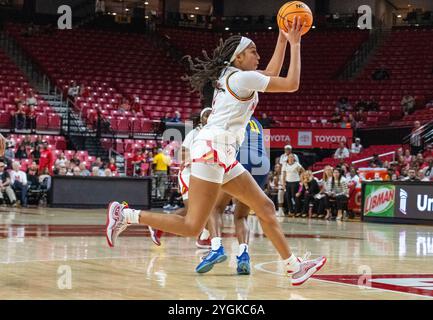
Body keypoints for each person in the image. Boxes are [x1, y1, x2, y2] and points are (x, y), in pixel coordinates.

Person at [106, 18, 326, 286]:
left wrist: (282, 37)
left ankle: (294, 267)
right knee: (192, 226)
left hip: (224, 153)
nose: (258, 56)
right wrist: (295, 43)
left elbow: (270, 71)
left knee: (265, 207)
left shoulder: (234, 75)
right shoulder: (242, 78)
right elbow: (291, 84)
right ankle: (125, 215)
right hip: (212, 150)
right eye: (254, 51)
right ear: (240, 56)